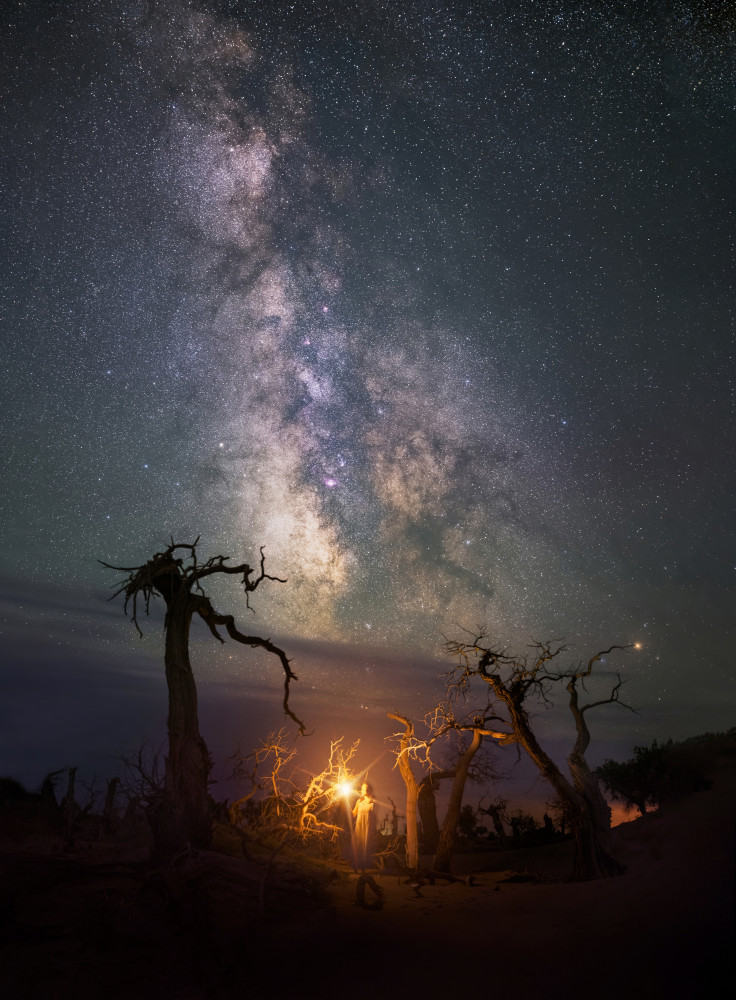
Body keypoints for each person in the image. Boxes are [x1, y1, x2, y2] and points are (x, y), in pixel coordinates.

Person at [352, 781, 376, 870]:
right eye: (361, 788)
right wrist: (346, 803)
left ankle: (363, 868)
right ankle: (355, 866)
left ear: (368, 789)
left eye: (364, 788)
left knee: (365, 846)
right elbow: (354, 814)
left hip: (367, 826)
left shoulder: (372, 801)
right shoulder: (359, 801)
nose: (361, 790)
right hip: (359, 825)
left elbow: (374, 816)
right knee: (357, 844)